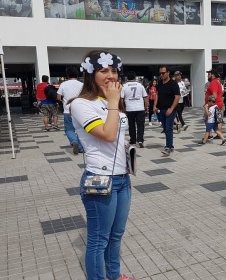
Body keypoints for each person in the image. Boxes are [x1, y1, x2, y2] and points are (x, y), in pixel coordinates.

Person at [70, 50, 135, 280]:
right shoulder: (80, 104)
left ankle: (114, 275)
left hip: (122, 178)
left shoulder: (109, 101)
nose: (111, 75)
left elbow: (120, 139)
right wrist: (114, 103)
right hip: (100, 178)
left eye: (114, 70)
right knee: (99, 240)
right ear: (90, 74)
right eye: (103, 70)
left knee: (116, 235)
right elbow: (107, 135)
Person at [153, 65, 180, 156]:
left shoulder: (173, 83)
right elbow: (157, 94)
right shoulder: (159, 83)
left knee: (168, 128)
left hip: (170, 109)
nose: (161, 74)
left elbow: (177, 97)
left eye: (163, 73)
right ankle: (170, 146)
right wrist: (155, 106)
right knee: (165, 128)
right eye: (160, 73)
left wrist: (171, 108)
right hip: (161, 109)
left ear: (168, 73)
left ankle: (168, 147)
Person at [57, 66, 83, 154]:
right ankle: (81, 148)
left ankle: (74, 141)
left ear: (67, 75)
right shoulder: (81, 84)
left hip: (68, 111)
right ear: (77, 74)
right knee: (80, 130)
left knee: (69, 129)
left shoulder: (63, 84)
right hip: (79, 111)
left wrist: (62, 101)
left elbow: (58, 97)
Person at [121, 71, 148, 148]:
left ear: (127, 78)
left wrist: (122, 109)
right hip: (140, 108)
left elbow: (121, 100)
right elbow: (145, 97)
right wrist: (146, 107)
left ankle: (133, 140)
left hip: (129, 109)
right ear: (135, 77)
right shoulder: (140, 85)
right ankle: (140, 140)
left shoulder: (124, 86)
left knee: (131, 125)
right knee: (140, 125)